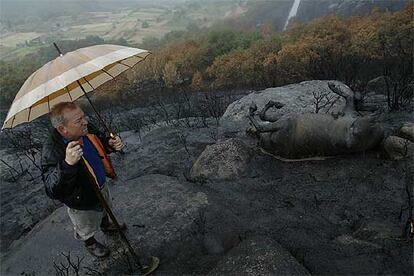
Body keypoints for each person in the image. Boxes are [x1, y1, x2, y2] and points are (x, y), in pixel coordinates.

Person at [41, 102, 125, 258]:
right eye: (79, 120)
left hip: (100, 183)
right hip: (81, 199)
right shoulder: (52, 150)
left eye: (83, 117)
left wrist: (110, 144)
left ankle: (106, 224)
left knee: (104, 206)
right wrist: (67, 164)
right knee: (85, 224)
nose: (85, 122)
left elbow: (100, 141)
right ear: (62, 129)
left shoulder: (86, 128)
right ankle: (90, 242)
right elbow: (52, 189)